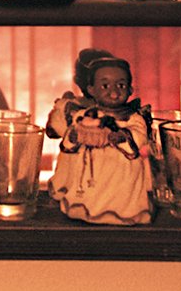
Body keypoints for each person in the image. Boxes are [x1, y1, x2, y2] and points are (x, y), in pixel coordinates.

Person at [45, 47, 154, 225]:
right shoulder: (85, 116)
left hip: (121, 174)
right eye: (105, 86)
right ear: (92, 89)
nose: (113, 92)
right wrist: (74, 137)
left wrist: (120, 137)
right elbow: (69, 143)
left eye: (121, 85)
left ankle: (122, 213)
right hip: (92, 173)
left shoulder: (133, 118)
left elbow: (138, 137)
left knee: (120, 194)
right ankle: (87, 209)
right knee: (91, 194)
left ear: (130, 90)